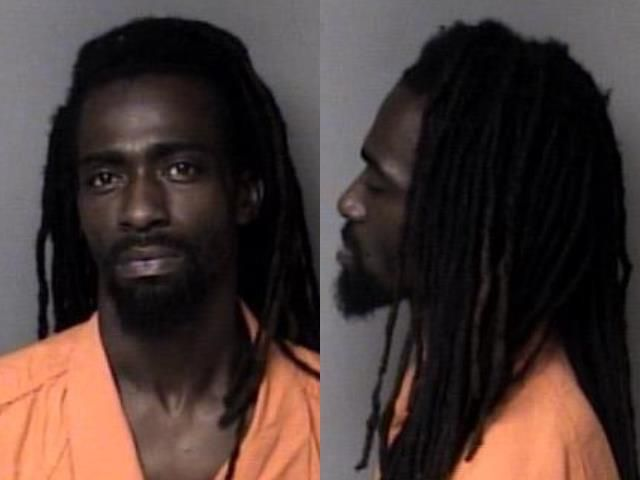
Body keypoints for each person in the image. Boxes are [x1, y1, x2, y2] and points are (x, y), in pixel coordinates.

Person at [0, 17, 319, 480]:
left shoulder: (330, 420)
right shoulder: (9, 418)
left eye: (180, 169)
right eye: (105, 178)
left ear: (245, 195)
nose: (140, 211)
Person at [336, 20, 638, 480]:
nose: (349, 202)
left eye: (379, 186)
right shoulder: (456, 374)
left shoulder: (524, 456)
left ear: (468, 225)